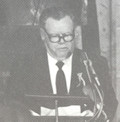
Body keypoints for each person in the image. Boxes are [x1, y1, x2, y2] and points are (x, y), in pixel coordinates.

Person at [5, 5, 118, 121]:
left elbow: (110, 103)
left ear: (75, 33)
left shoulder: (94, 63)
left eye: (68, 35)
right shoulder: (24, 65)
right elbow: (11, 105)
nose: (62, 42)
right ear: (43, 35)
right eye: (55, 37)